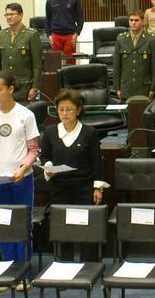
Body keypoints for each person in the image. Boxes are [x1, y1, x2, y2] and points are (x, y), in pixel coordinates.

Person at [0, 71, 40, 284]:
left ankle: (23, 271)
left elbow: (33, 150)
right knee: (2, 224)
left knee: (22, 225)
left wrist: (23, 169)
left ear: (11, 89)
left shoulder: (26, 115)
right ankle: (8, 270)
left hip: (20, 178)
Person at [40, 88, 106, 259]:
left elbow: (96, 162)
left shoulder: (89, 132)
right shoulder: (50, 132)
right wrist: (48, 167)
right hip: (59, 186)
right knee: (63, 226)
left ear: (78, 110)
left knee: (85, 226)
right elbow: (45, 157)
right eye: (61, 109)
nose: (64, 113)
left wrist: (97, 188)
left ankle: (89, 264)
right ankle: (64, 263)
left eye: (69, 109)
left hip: (83, 187)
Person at [0, 3, 43, 103]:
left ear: (21, 15)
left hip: (24, 86)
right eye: (7, 15)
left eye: (12, 14)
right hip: (5, 85)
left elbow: (37, 64)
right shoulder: (1, 34)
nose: (9, 17)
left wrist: (35, 87)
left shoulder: (31, 34)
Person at [113, 10, 155, 101]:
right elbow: (117, 66)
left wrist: (153, 89)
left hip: (144, 89)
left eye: (136, 20)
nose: (133, 23)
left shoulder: (151, 40)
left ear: (142, 22)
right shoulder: (121, 39)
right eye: (131, 20)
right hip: (126, 88)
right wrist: (117, 88)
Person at [45, 0, 84, 65]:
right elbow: (48, 18)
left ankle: (70, 74)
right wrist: (48, 35)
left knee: (70, 61)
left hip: (70, 34)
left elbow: (80, 18)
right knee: (55, 63)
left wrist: (77, 33)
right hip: (55, 34)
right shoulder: (50, 0)